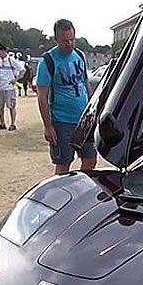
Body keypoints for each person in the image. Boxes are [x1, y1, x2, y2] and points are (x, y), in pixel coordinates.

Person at [36, 19, 95, 175]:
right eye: (64, 41)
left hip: (83, 120)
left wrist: (93, 108)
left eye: (72, 39)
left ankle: (80, 190)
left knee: (90, 159)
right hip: (62, 121)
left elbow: (85, 83)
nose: (69, 44)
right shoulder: (47, 61)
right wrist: (48, 126)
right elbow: (42, 96)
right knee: (64, 163)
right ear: (56, 39)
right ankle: (62, 195)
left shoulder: (80, 56)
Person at [0, 44, 24, 131]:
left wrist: (16, 79)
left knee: (11, 106)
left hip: (9, 87)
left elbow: (22, 70)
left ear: (3, 51)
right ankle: (2, 123)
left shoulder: (11, 60)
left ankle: (12, 123)